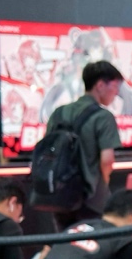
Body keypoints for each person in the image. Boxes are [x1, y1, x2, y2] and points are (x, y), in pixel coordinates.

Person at [43, 60, 123, 228]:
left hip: (58, 196)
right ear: (100, 85)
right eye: (115, 86)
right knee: (93, 241)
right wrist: (103, 185)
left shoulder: (59, 113)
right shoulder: (103, 117)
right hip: (91, 199)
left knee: (65, 240)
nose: (117, 92)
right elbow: (107, 160)